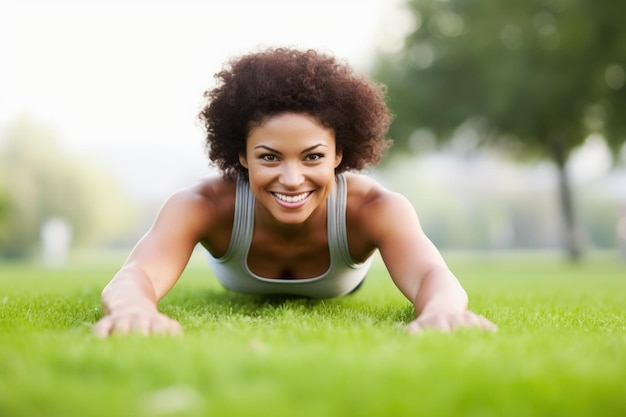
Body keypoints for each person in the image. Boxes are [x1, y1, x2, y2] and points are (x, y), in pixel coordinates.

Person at [93, 47, 497, 337]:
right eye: (269, 157)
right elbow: (136, 274)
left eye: (312, 157)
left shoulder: (374, 208)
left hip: (342, 280)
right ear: (242, 155)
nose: (291, 178)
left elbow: (431, 274)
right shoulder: (204, 205)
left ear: (339, 154)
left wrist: (441, 312)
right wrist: (133, 310)